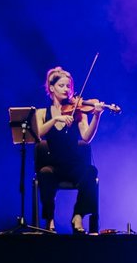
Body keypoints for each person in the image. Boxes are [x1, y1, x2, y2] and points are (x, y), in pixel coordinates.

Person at [34, 66, 106, 233]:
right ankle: (49, 220)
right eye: (62, 86)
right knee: (44, 173)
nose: (67, 89)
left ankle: (78, 215)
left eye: (69, 86)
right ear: (51, 88)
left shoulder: (78, 111)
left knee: (90, 172)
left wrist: (96, 115)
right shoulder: (42, 113)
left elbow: (87, 137)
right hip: (53, 165)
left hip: (74, 164)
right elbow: (38, 134)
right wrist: (55, 119)